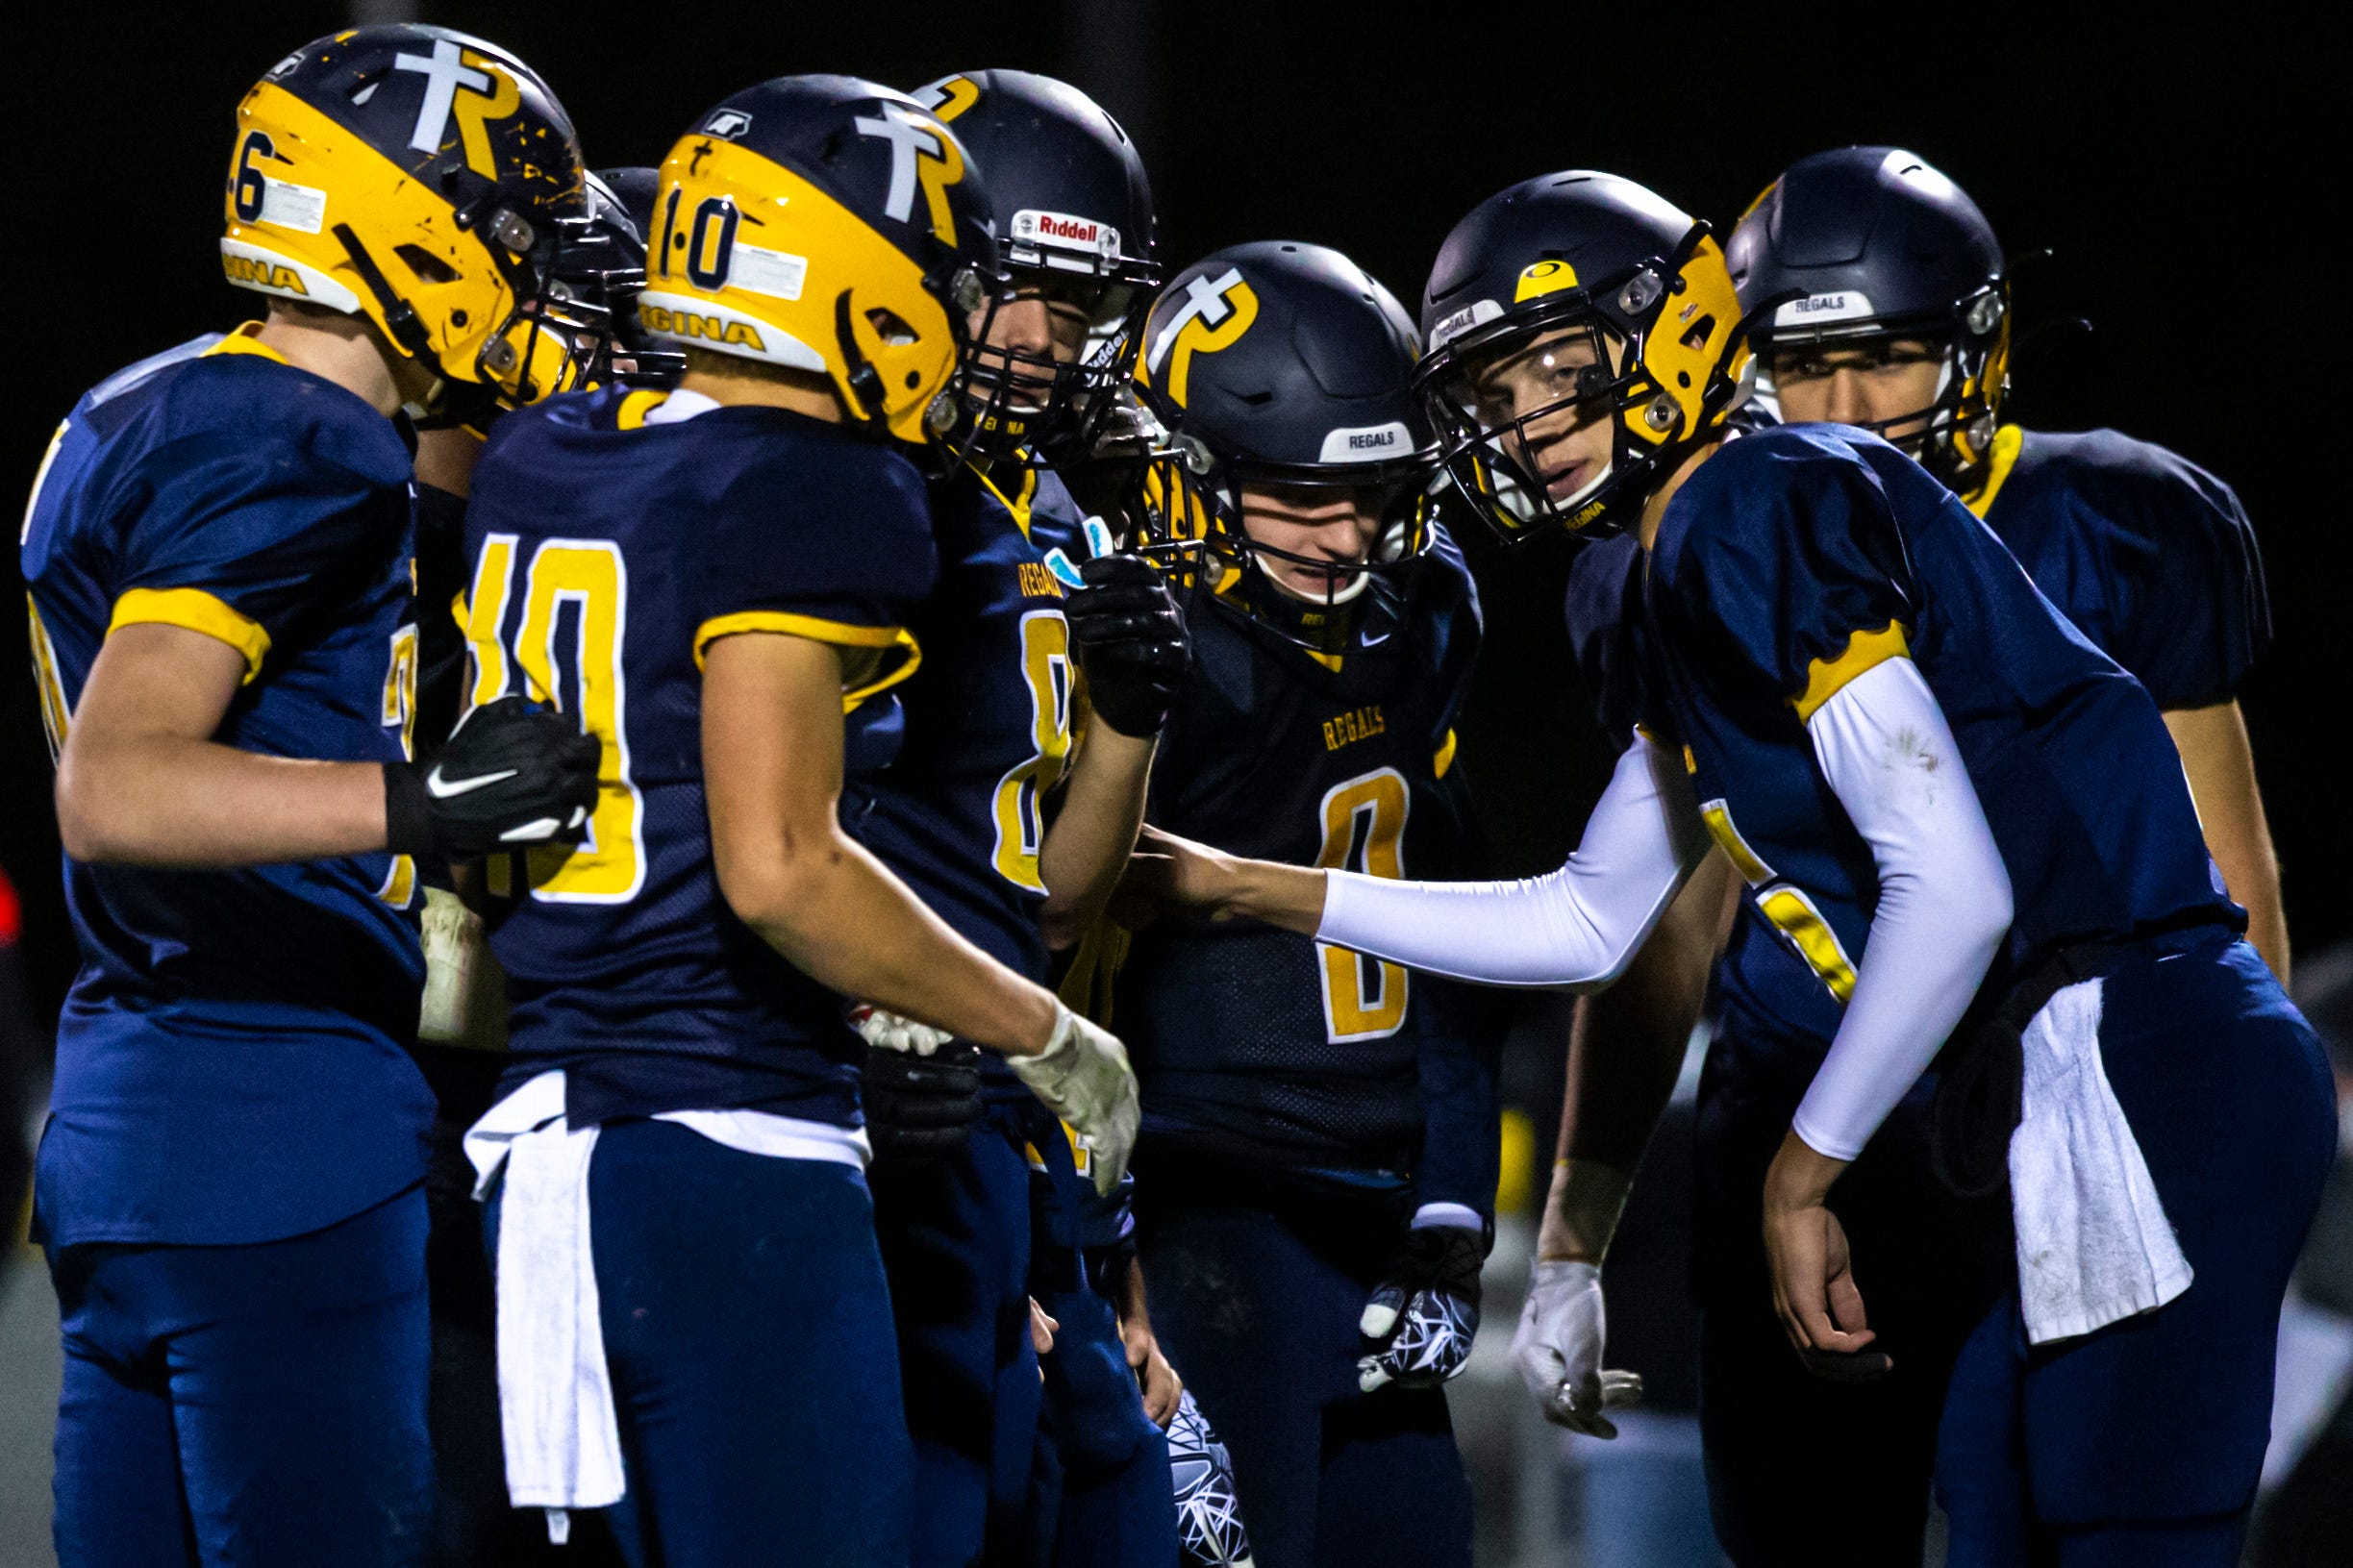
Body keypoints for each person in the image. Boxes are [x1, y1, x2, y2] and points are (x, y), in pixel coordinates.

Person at [1131, 169, 2336, 1566]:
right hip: (2029, 1079)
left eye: (1563, 373)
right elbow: (1590, 922)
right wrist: (1238, 884)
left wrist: (1797, 1175)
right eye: (1499, 392)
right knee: (1996, 1511)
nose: (1531, 424)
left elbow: (1953, 888)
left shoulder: (1756, 500)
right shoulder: (1659, 559)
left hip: (2136, 1053)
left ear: (1679, 335)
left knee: (2113, 1539)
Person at [1525, 145, 2293, 1564]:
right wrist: (1574, 1235)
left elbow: (2228, 889)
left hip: (2060, 1136)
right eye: (1803, 365)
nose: (1844, 406)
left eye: (1884, 357)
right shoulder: (1682, 547)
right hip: (1806, 1130)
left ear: (1974, 346)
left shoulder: (2115, 517)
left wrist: (2207, 1164)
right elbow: (1663, 929)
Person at [455, 75, 1139, 1565]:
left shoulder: (549, 452)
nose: (970, 322)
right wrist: (1041, 1029)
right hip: (730, 1138)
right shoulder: (816, 482)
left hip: (555, 1146)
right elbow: (781, 866)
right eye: (951, 282)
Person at [18, 24, 601, 1563]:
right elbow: (121, 784)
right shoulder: (307, 440)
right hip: (276, 1123)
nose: (525, 272)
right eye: (508, 233)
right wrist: (420, 805)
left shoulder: (149, 399)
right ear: (409, 224)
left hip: (120, 1105)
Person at [842, 67, 1183, 1565]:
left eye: (1076, 301)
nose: (1043, 340)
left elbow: (1050, 900)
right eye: (1011, 291)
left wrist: (1124, 716)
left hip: (1021, 1101)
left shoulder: (1051, 511)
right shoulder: (849, 486)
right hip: (890, 1090)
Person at [1115, 240, 1499, 1568]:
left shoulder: (1427, 613)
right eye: (1296, 493)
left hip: (1381, 1204)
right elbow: (1058, 972)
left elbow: (1448, 926)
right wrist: (1106, 1266)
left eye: (1374, 493)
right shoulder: (1139, 650)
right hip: (1205, 1202)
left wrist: (1453, 1200)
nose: (1344, 537)